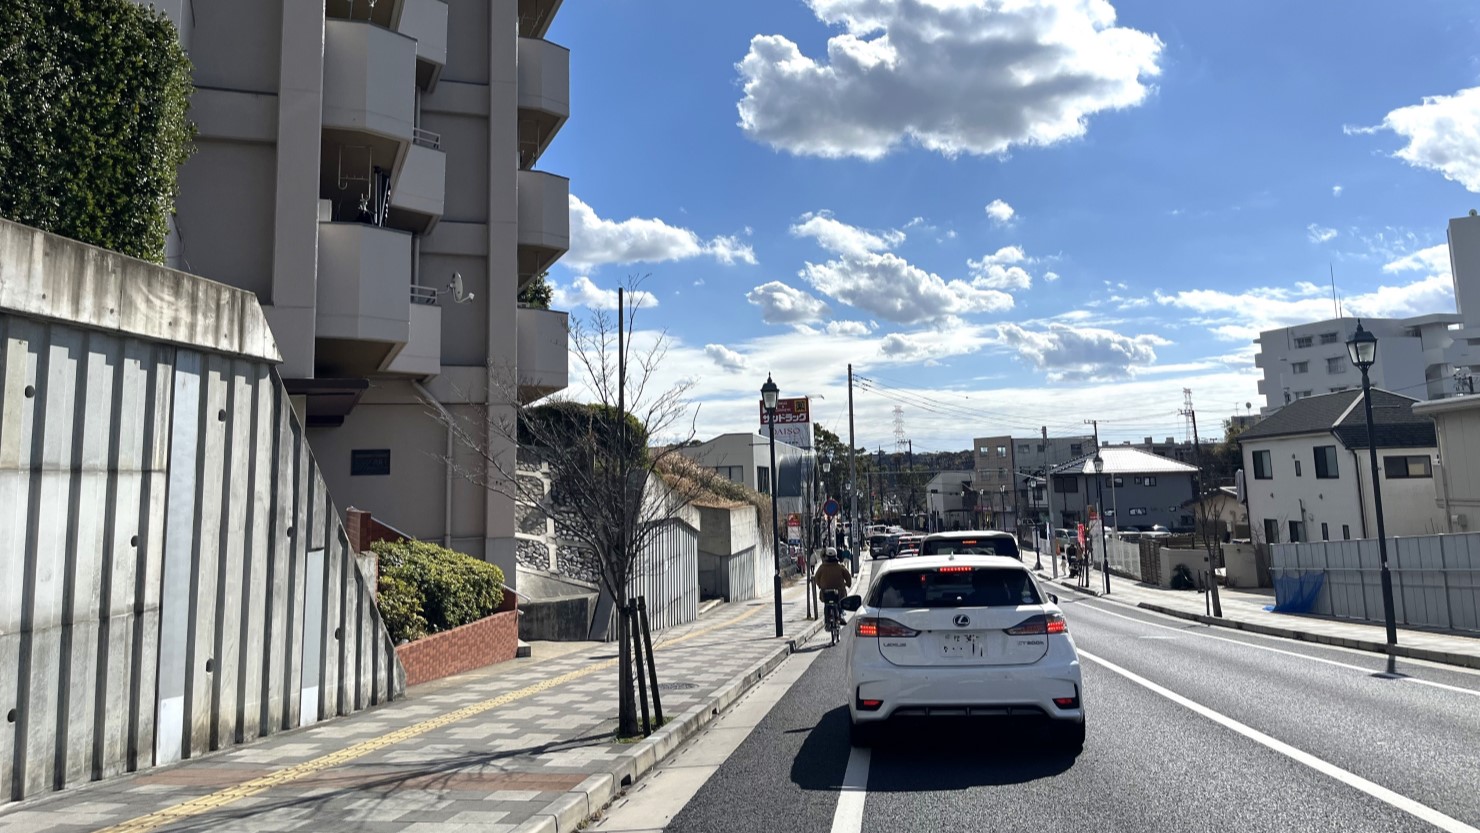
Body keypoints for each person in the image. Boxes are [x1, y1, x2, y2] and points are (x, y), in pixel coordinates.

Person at [813, 547, 853, 625]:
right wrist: (848, 584)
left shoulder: (822, 567)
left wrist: (820, 585)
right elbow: (848, 576)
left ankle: (827, 619)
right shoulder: (840, 566)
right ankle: (840, 615)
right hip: (839, 591)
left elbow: (816, 577)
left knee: (826, 603)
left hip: (825, 591)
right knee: (840, 602)